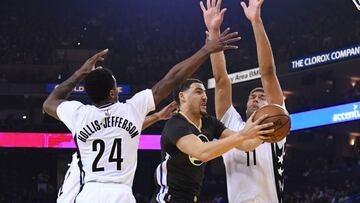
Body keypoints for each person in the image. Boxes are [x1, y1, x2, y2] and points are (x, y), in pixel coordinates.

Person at [43, 30, 241, 203]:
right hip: (120, 193)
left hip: (89, 192)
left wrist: (80, 72)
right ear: (113, 93)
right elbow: (172, 79)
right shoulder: (131, 110)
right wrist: (205, 50)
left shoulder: (78, 114)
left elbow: (50, 102)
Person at [202, 0, 287, 202]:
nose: (255, 98)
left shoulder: (276, 124)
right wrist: (214, 33)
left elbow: (267, 72)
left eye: (261, 97)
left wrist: (256, 21)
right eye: (252, 96)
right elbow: (221, 81)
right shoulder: (230, 124)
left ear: (271, 105)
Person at [151, 78, 275, 203]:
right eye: (199, 92)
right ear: (182, 96)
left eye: (205, 92)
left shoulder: (209, 123)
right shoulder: (175, 124)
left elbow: (245, 145)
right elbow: (202, 152)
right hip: (168, 198)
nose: (205, 97)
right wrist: (243, 134)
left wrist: (266, 132)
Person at [57, 102, 177, 203]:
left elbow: (126, 129)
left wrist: (157, 116)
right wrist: (157, 116)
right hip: (113, 193)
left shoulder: (87, 141)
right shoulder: (82, 161)